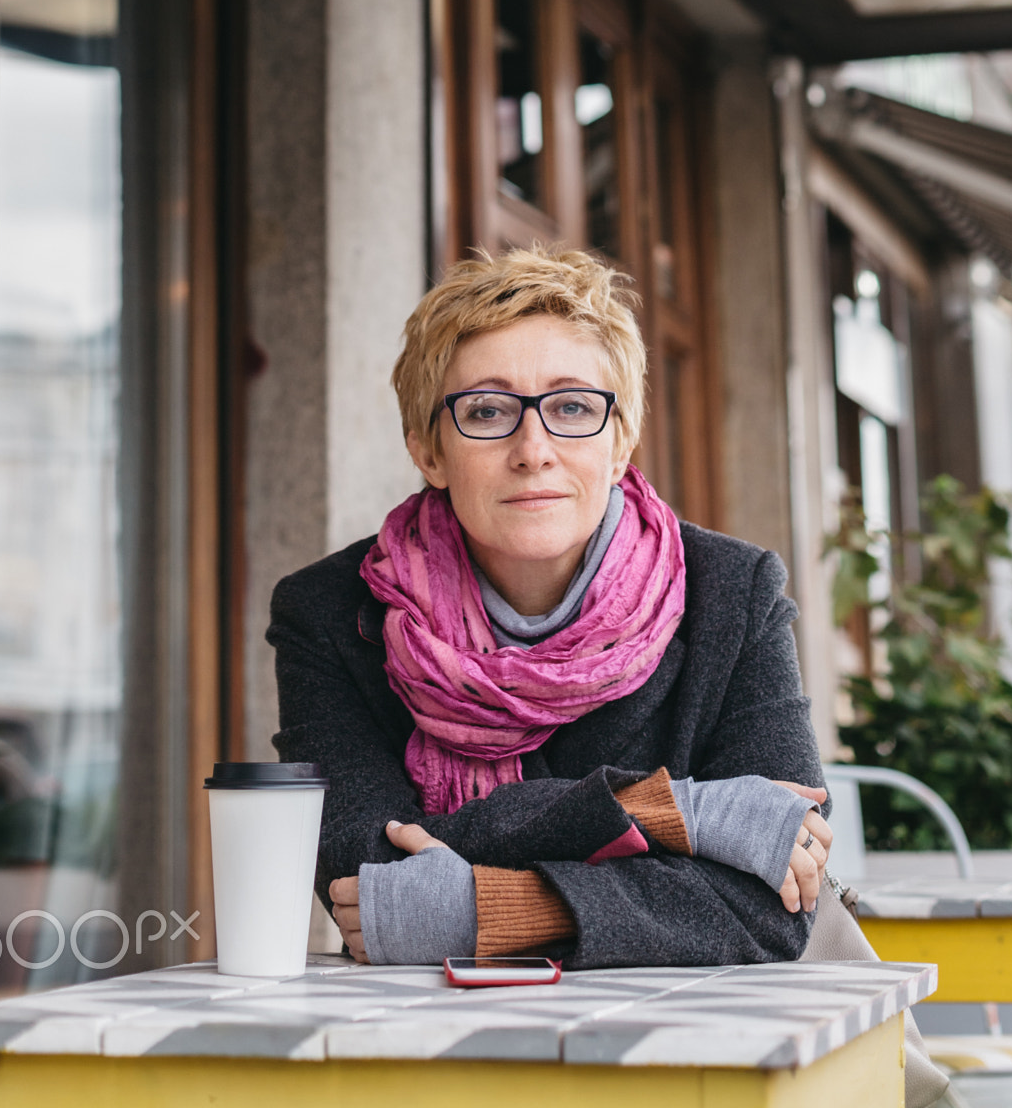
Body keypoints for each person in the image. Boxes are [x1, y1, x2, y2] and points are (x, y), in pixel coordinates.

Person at [267, 244, 834, 970]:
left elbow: (774, 906)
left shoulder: (733, 590)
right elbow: (367, 884)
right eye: (486, 411)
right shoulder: (328, 612)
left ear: (620, 440)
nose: (533, 449)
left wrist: (503, 909)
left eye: (571, 407)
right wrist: (675, 812)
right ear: (427, 449)